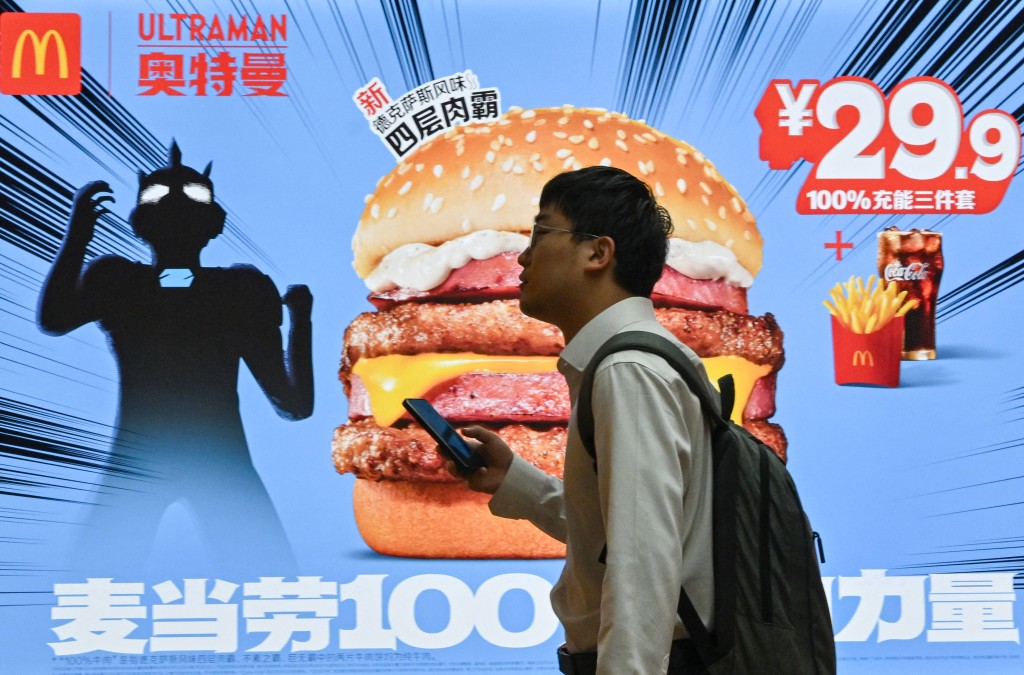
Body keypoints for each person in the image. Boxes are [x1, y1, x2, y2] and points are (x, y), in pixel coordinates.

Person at [451, 166, 718, 674]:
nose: (523, 256)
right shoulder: (636, 361)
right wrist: (517, 482)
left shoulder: (629, 371)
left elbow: (643, 564)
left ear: (598, 252)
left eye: (540, 232)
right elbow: (618, 536)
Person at [37, 142, 313, 575]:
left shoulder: (129, 282)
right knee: (266, 583)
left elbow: (54, 318)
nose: (178, 204)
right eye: (161, 196)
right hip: (213, 459)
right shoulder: (229, 290)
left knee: (93, 582)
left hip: (157, 457)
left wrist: (78, 237)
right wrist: (301, 320)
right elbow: (294, 405)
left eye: (193, 196)